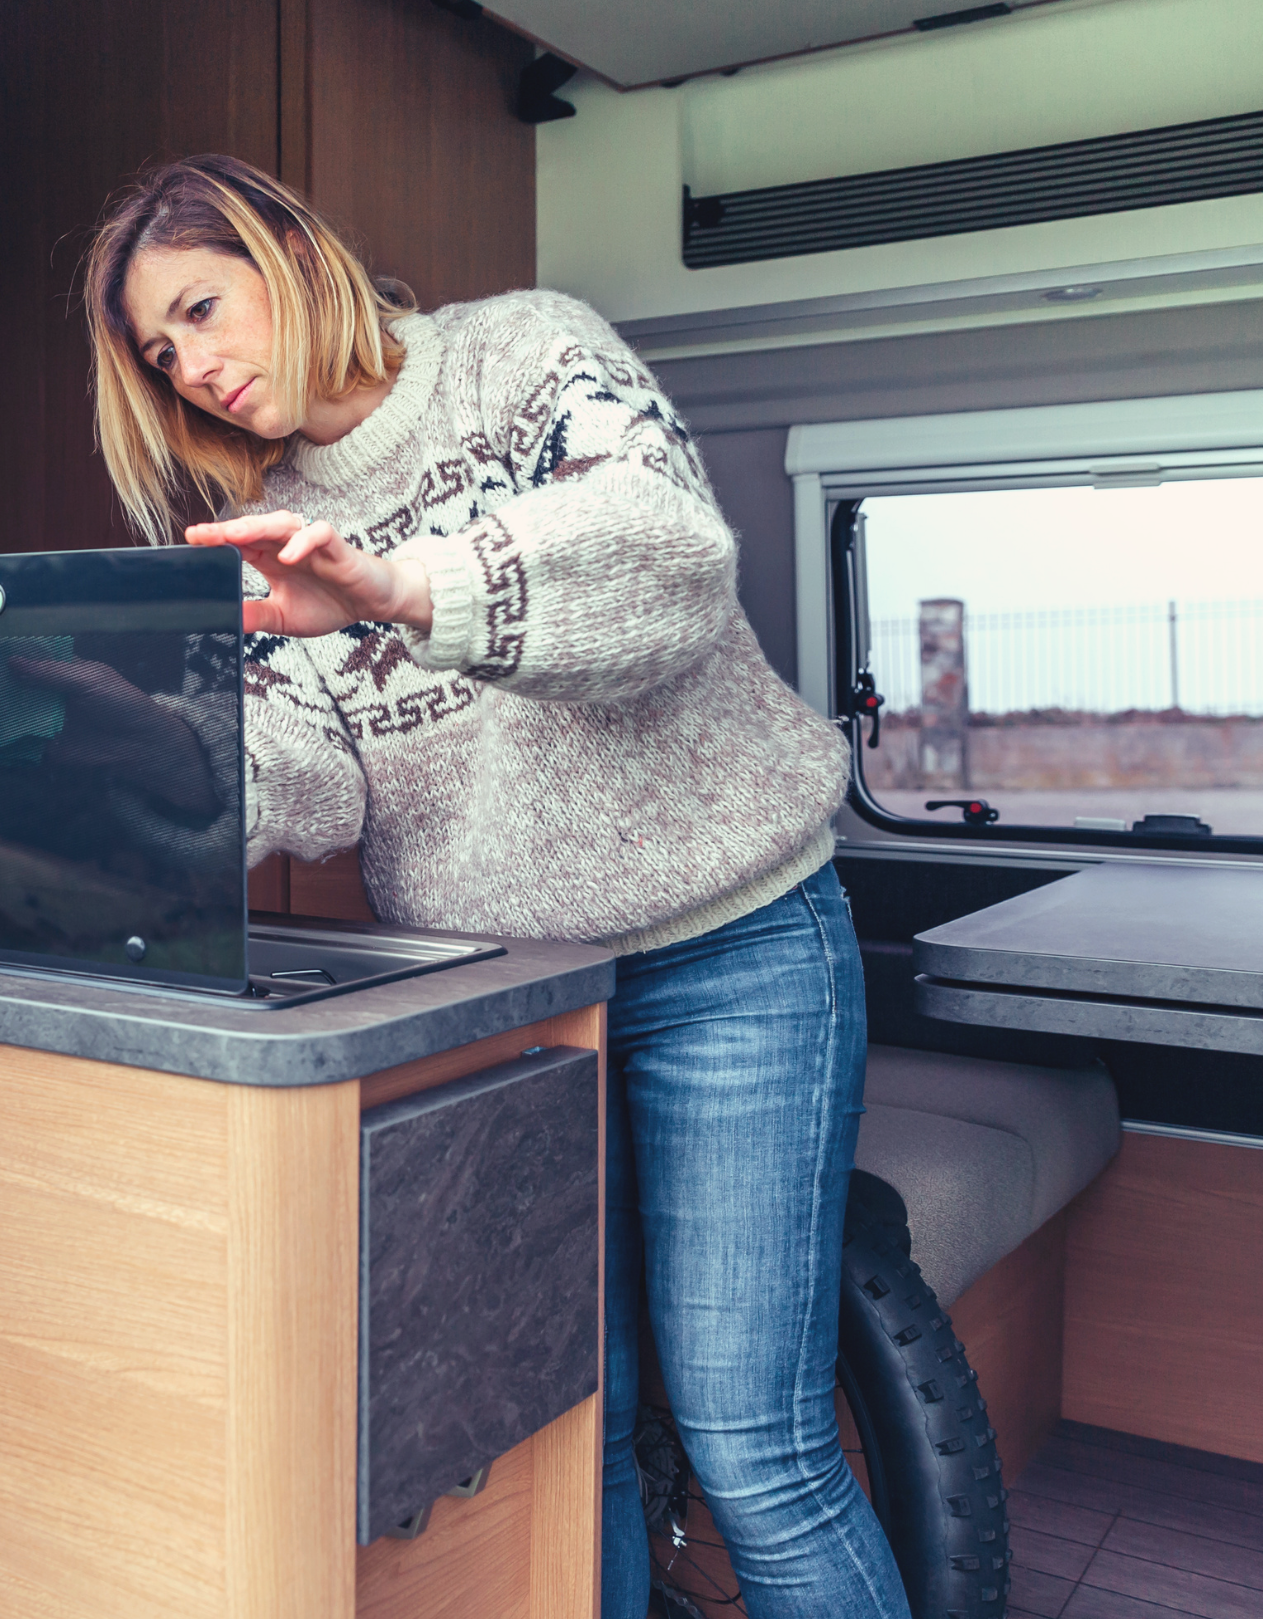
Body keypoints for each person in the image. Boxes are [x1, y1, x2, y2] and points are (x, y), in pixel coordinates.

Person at [79, 154, 912, 1619]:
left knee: (753, 1447)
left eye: (201, 310)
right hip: (512, 1012)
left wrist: (397, 589)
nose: (195, 367)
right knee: (556, 1434)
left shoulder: (526, 356)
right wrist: (160, 747)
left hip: (737, 957)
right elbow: (313, 785)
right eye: (160, 355)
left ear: (287, 252)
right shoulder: (262, 524)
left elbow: (663, 568)